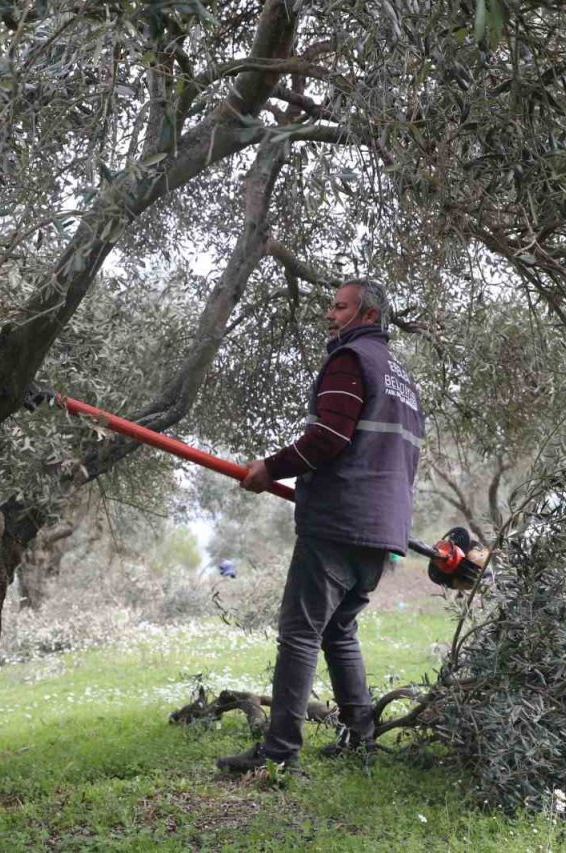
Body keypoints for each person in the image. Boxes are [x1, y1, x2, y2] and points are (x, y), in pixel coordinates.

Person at [216, 278, 425, 773]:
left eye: (339, 307)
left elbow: (328, 436)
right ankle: (361, 738)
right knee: (339, 630)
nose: (330, 316)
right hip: (383, 529)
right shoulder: (405, 380)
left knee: (300, 631)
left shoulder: (351, 360)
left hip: (339, 519)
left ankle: (280, 753)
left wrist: (269, 467)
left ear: (367, 316)